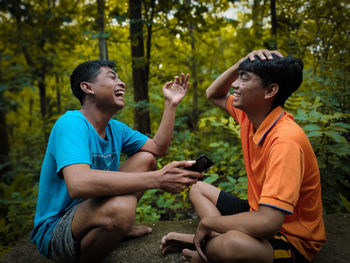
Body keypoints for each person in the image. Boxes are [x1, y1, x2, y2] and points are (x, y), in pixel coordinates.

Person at [161, 50, 326, 263]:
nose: (234, 84)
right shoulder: (250, 116)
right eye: (238, 76)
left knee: (231, 245)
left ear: (270, 90)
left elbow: (268, 223)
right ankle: (209, 245)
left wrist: (208, 224)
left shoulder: (286, 141)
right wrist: (242, 63)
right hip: (257, 212)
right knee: (198, 188)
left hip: (291, 239)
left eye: (244, 78)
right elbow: (213, 93)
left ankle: (204, 244)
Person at [31, 60, 203, 263]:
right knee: (122, 207)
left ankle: (115, 227)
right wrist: (157, 179)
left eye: (120, 78)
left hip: (90, 208)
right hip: (57, 230)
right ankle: (111, 227)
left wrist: (171, 104)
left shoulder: (115, 128)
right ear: (87, 87)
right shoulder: (71, 124)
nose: (121, 83)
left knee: (146, 159)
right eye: (112, 77)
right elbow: (78, 184)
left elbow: (158, 148)